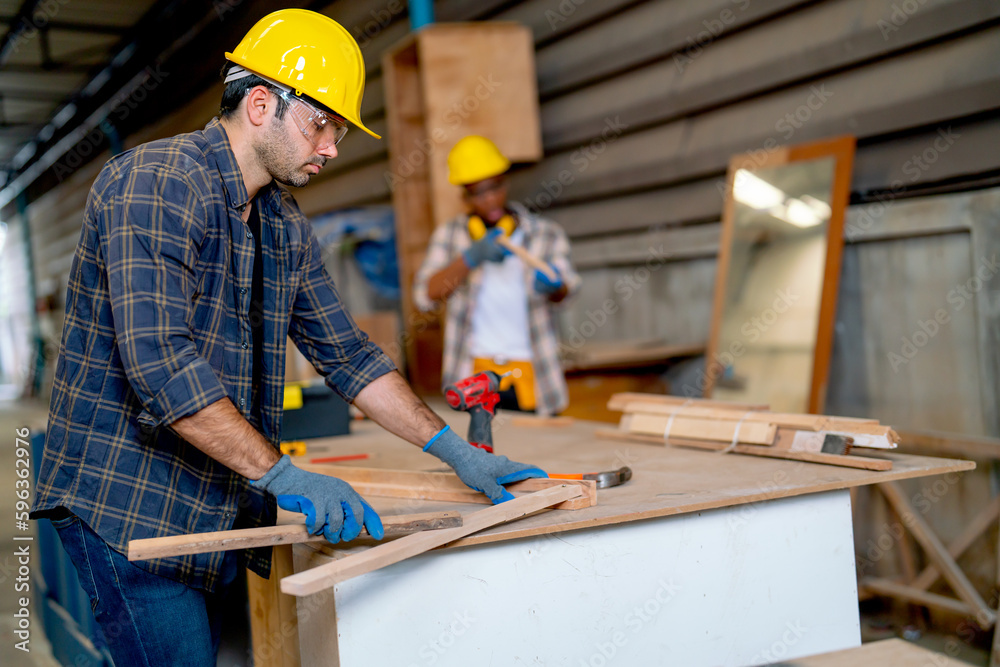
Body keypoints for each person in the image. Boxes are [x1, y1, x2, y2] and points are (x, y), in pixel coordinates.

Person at [30, 10, 545, 665]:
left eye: (335, 131)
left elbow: (348, 355)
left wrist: (452, 447)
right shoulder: (156, 182)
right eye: (321, 123)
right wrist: (282, 473)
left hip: (205, 490)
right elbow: (160, 365)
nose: (331, 147)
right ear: (261, 104)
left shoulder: (281, 223)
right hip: (122, 496)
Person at [413, 136, 581, 416]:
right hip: (473, 372)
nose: (490, 198)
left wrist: (555, 287)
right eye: (478, 192)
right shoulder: (450, 236)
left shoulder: (545, 234)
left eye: (495, 187)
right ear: (464, 197)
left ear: (505, 182)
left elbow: (568, 291)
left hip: (533, 374)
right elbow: (423, 296)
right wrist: (469, 259)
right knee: (479, 450)